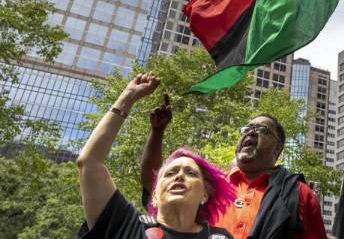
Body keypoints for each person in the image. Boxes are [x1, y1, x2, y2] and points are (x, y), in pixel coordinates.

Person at [77, 73, 235, 238]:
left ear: (204, 195)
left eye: (191, 173)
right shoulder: (125, 223)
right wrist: (128, 96)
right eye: (170, 173)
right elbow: (89, 162)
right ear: (154, 196)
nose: (179, 176)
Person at [141, 107, 327, 239]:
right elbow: (156, 183)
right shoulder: (208, 184)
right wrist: (157, 132)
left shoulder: (299, 194)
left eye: (262, 130)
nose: (250, 133)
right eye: (246, 129)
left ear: (277, 148)